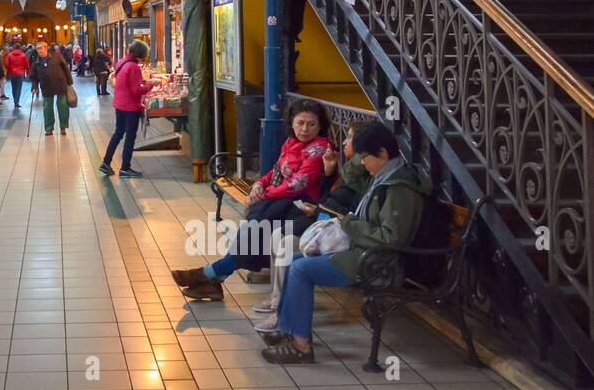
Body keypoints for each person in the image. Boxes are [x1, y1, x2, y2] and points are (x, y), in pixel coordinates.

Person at [261, 122, 430, 365]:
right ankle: (290, 329)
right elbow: (351, 176)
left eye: (365, 157)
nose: (363, 163)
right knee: (293, 260)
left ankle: (301, 346)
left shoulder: (399, 189)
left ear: (382, 153)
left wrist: (350, 224)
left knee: (300, 269)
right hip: (362, 251)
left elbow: (392, 238)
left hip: (377, 262)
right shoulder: (383, 177)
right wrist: (355, 151)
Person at [170, 98, 334, 301]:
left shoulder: (318, 148)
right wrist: (258, 185)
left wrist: (263, 195)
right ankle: (213, 280)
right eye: (300, 123)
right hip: (278, 204)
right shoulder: (291, 143)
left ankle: (208, 274)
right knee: (250, 233)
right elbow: (275, 171)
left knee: (252, 234)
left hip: (299, 209)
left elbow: (297, 184)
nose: (305, 129)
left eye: (312, 124)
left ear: (320, 126)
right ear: (291, 122)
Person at [253, 121, 371, 332]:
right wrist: (329, 172)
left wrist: (317, 211)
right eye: (299, 123)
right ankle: (276, 299)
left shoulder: (363, 174)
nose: (344, 141)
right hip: (324, 224)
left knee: (286, 244)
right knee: (278, 234)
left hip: (339, 235)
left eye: (350, 137)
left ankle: (279, 309)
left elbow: (350, 211)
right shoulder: (349, 169)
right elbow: (331, 198)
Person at [99, 41, 160, 179]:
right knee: (130, 137)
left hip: (119, 104)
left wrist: (143, 82)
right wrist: (151, 85)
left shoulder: (122, 62)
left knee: (118, 133)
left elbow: (128, 82)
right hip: (130, 107)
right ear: (142, 53)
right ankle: (125, 168)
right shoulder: (134, 67)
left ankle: (106, 162)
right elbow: (136, 90)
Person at [31, 40, 73, 136]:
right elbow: (33, 76)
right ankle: (49, 128)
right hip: (46, 86)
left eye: (41, 48)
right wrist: (34, 86)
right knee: (47, 108)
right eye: (37, 49)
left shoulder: (56, 56)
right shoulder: (36, 61)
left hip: (60, 84)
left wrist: (69, 82)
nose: (39, 51)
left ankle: (63, 126)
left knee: (63, 106)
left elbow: (65, 68)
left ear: (46, 48)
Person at [4, 43, 30, 109]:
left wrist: (10, 70)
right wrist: (27, 72)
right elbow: (27, 64)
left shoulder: (10, 55)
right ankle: (16, 102)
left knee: (13, 87)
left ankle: (15, 100)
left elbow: (6, 64)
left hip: (12, 73)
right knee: (19, 87)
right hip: (20, 73)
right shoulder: (23, 55)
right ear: (20, 48)